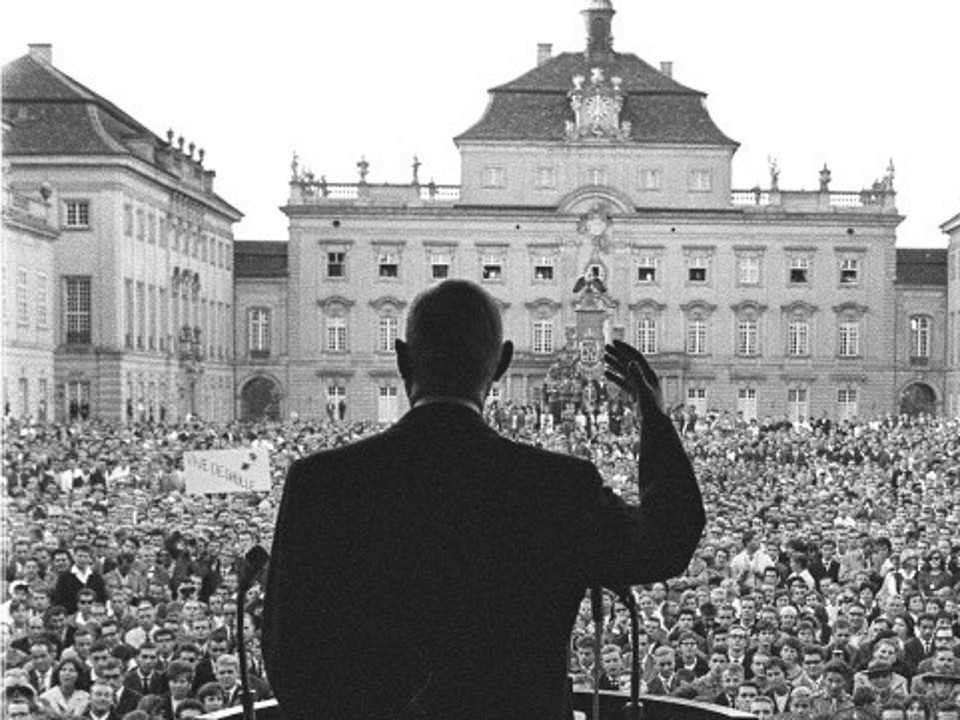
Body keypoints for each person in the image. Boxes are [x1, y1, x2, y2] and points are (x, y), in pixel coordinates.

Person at [264, 280, 704, 719]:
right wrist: (655, 419)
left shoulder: (322, 483)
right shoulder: (557, 487)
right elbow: (669, 540)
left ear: (401, 359)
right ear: (501, 364)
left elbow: (288, 660)